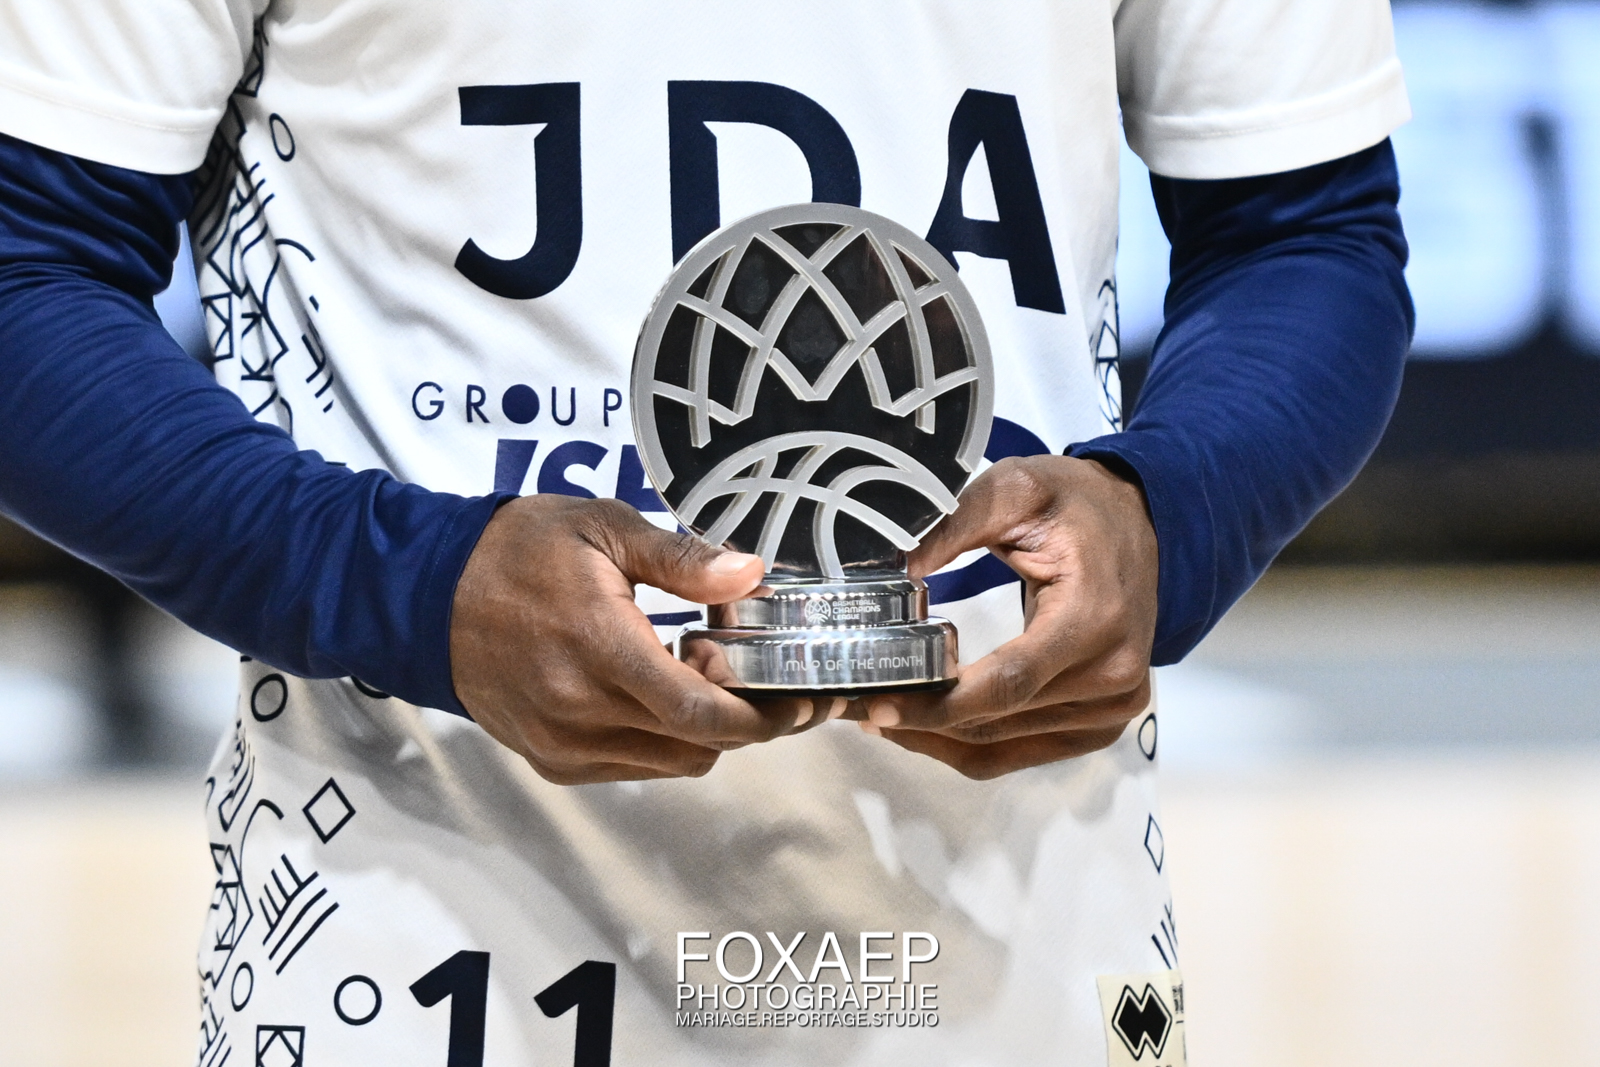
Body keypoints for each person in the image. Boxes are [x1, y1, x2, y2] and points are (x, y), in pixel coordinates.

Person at [0, 2, 1412, 1064]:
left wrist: (1170, 511)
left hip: (1025, 929)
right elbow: (28, 267)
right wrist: (411, 585)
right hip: (419, 939)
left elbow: (1307, 232)